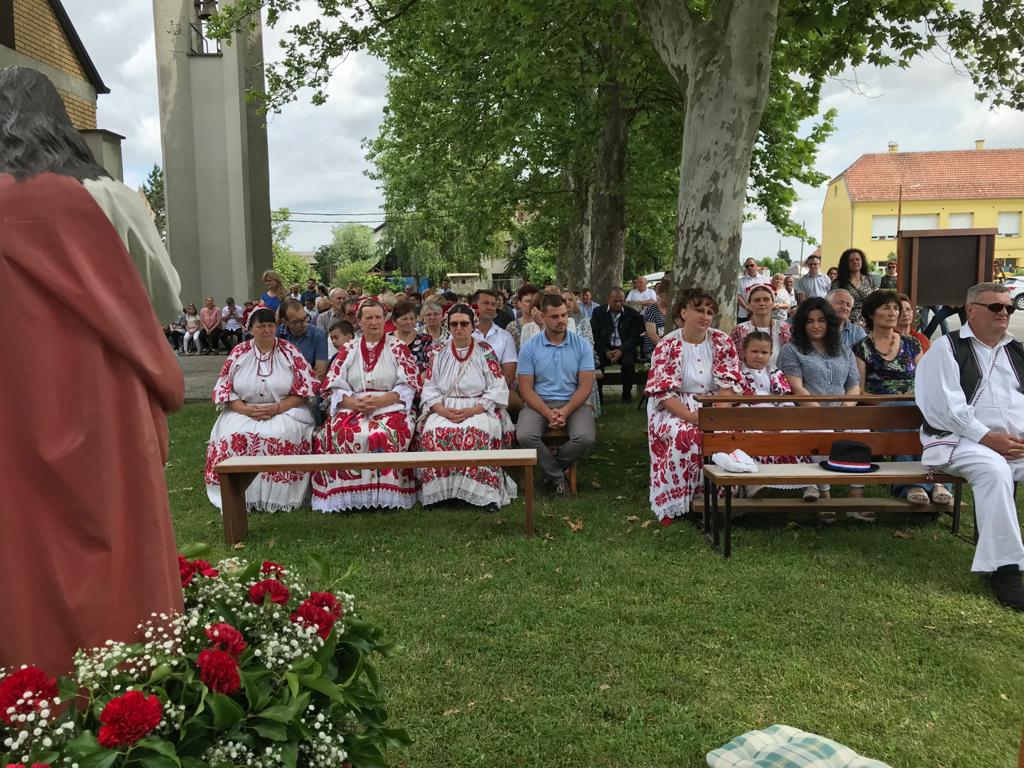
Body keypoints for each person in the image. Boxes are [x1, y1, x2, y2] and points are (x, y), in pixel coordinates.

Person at [0, 66, 184, 674]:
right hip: (107, 398)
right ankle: (132, 682)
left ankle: (28, 687)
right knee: (122, 531)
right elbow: (166, 300)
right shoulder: (112, 198)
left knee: (20, 540)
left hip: (12, 403)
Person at [915, 282, 1024, 611]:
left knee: (1000, 465)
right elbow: (944, 409)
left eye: (1009, 307)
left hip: (1013, 442)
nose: (1004, 312)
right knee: (995, 471)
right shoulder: (945, 349)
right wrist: (989, 438)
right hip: (958, 440)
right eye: (996, 307)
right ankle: (1006, 570)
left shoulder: (1016, 351)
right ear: (971, 310)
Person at [204, 307, 317, 512]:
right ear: (250, 329)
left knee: (283, 434)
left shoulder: (290, 351)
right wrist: (245, 410)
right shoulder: (239, 352)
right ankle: (241, 495)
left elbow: (304, 389)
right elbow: (224, 389)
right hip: (244, 410)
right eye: (261, 326)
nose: (267, 330)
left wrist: (277, 408)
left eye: (270, 325)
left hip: (285, 409)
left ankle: (282, 497)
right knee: (234, 434)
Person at [311, 299, 421, 512]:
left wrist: (383, 400)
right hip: (354, 405)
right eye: (368, 318)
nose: (374, 322)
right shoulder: (348, 348)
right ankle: (350, 497)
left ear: (384, 320)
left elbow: (410, 384)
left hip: (391, 405)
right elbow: (333, 384)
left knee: (383, 434)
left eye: (378, 317)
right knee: (340, 432)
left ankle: (385, 496)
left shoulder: (398, 348)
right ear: (359, 321)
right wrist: (351, 402)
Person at [646, 287, 743, 524]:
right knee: (685, 435)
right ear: (683, 312)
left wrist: (713, 415)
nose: (705, 316)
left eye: (710, 312)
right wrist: (691, 417)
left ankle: (722, 499)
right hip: (674, 405)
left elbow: (729, 384)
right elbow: (662, 392)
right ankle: (678, 503)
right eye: (699, 310)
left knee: (728, 434)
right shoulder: (667, 344)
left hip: (715, 403)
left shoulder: (721, 341)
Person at [853, 290, 951, 509]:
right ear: (871, 314)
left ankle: (937, 483)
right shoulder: (861, 348)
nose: (893, 312)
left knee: (935, 419)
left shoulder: (912, 344)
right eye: (886, 307)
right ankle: (915, 485)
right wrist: (893, 400)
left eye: (895, 308)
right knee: (908, 417)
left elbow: (927, 380)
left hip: (915, 406)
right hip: (880, 410)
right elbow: (859, 391)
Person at [419, 304, 517, 509]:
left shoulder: (485, 350)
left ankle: (484, 495)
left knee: (477, 431)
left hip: (478, 406)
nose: (458, 328)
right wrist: (442, 410)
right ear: (448, 326)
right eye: (453, 324)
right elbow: (430, 386)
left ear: (473, 325)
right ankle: (441, 494)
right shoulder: (438, 352)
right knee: (433, 432)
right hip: (446, 406)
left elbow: (497, 386)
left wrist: (474, 410)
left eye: (464, 324)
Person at [778, 297, 861, 506]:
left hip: (843, 412)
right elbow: (797, 388)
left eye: (821, 320)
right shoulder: (792, 350)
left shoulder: (844, 350)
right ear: (802, 324)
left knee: (861, 431)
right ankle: (825, 494)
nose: (816, 325)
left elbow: (854, 386)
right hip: (808, 414)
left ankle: (856, 496)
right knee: (820, 432)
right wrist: (825, 417)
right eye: (810, 321)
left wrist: (845, 409)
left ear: (829, 322)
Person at [516, 294, 596, 496]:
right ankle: (559, 477)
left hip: (573, 403)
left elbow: (585, 386)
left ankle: (547, 476)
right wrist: (548, 413)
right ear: (543, 317)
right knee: (525, 435)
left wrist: (565, 411)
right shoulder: (529, 347)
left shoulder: (582, 345)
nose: (561, 320)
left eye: (564, 315)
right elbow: (525, 389)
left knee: (585, 437)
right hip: (538, 403)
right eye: (554, 316)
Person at [737, 331, 806, 497]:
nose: (759, 356)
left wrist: (779, 423)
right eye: (754, 351)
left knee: (792, 435)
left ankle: (806, 483)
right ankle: (753, 483)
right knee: (752, 437)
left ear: (770, 354)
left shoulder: (775, 373)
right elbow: (739, 403)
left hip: (776, 418)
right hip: (750, 418)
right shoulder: (738, 374)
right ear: (744, 351)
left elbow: (785, 400)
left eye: (764, 352)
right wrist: (759, 424)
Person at [591, 287, 644, 404]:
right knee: (596, 363)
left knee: (628, 363)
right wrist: (605, 351)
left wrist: (621, 350)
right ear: (608, 300)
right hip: (604, 348)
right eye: (615, 301)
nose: (618, 304)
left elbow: (634, 336)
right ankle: (599, 397)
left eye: (621, 301)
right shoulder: (598, 312)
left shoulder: (631, 314)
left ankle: (626, 397)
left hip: (624, 348)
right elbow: (595, 336)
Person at [730, 283, 792, 369]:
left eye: (766, 299)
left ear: (773, 302)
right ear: (749, 304)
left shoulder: (785, 328)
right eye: (756, 300)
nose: (762, 303)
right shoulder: (739, 330)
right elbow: (734, 361)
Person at [473, 288, 518, 394]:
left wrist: (489, 395)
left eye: (493, 304)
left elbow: (509, 375)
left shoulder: (505, 337)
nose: (490, 307)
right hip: (466, 393)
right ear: (474, 306)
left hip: (497, 393)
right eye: (485, 303)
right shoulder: (460, 334)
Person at [277, 298, 329, 381]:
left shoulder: (318, 335)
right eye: (297, 322)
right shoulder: (279, 333)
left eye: (305, 318)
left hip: (310, 383)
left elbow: (320, 374)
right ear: (285, 322)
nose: (304, 324)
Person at [830, 248, 880, 325]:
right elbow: (832, 304)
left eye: (857, 259)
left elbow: (878, 301)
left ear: (862, 261)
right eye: (851, 260)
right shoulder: (838, 283)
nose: (855, 262)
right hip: (846, 323)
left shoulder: (870, 280)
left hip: (869, 322)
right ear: (846, 263)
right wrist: (848, 322)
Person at [390, 298, 434, 375]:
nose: (409, 322)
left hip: (419, 381)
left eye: (412, 318)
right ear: (394, 321)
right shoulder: (386, 340)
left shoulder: (425, 340)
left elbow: (430, 367)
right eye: (404, 319)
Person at [642, 280, 672, 358]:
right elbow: (652, 334)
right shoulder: (651, 309)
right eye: (667, 295)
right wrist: (666, 348)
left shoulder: (674, 309)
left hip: (672, 347)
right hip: (654, 348)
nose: (670, 298)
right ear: (660, 295)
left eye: (671, 295)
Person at [737, 258, 769, 323]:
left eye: (752, 265)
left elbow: (769, 295)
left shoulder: (765, 279)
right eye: (747, 266)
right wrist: (747, 308)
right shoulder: (740, 281)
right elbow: (738, 296)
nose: (749, 267)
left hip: (761, 313)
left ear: (756, 265)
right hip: (744, 314)